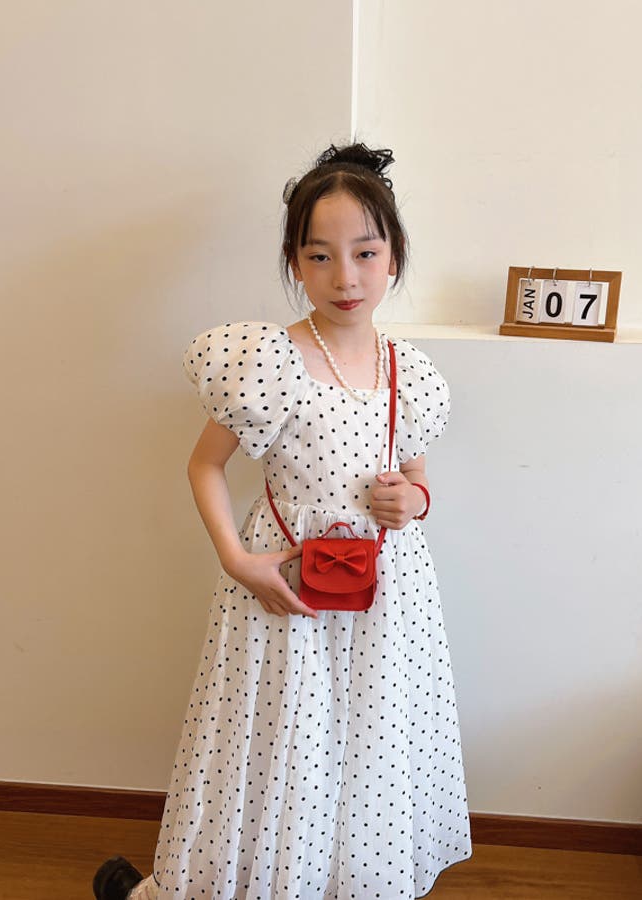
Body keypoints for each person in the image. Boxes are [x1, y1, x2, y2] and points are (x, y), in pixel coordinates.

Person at [93, 143, 472, 900]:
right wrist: (237, 560)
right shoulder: (268, 360)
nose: (346, 277)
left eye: (365, 253)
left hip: (385, 593)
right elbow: (205, 466)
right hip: (286, 586)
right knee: (275, 741)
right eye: (320, 255)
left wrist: (415, 501)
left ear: (394, 257)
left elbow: (419, 479)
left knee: (368, 742)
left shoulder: (412, 374)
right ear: (295, 263)